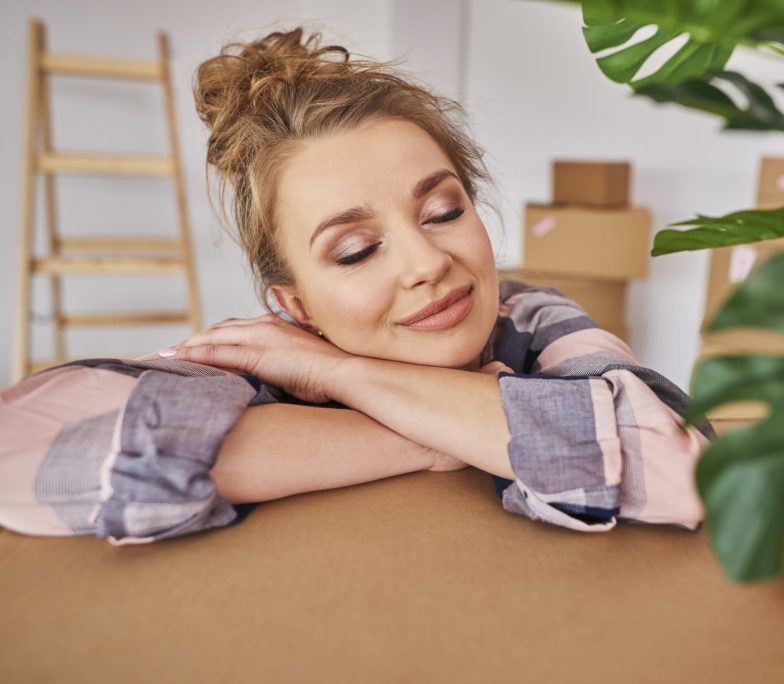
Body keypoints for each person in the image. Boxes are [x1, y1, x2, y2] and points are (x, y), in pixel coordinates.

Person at [0, 27, 713, 544]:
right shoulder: (271, 354)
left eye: (443, 211)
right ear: (295, 306)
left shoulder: (525, 316)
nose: (426, 262)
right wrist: (427, 438)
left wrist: (347, 375)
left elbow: (687, 467)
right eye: (356, 250)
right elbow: (20, 451)